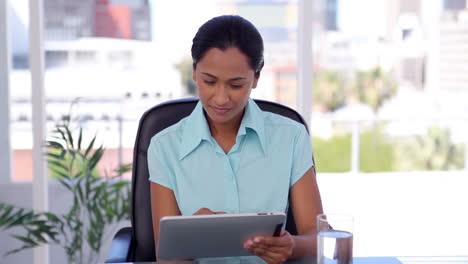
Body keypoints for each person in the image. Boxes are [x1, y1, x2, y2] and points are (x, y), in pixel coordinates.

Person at [148, 15, 323, 264]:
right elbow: (167, 259)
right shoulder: (164, 147)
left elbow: (318, 235)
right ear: (195, 72)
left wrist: (292, 246)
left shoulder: (291, 137)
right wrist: (188, 237)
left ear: (256, 79)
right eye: (210, 81)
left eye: (236, 85)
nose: (221, 98)